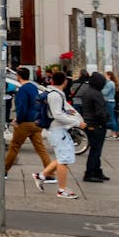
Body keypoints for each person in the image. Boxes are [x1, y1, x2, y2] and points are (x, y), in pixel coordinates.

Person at [0, 68, 52, 179]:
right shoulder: (33, 87)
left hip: (25, 123)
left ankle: (3, 171)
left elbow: (22, 108)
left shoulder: (22, 90)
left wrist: (17, 120)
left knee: (14, 146)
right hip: (36, 122)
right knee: (41, 149)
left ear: (18, 76)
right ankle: (50, 173)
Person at [34, 71, 85, 199]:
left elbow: (57, 112)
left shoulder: (54, 94)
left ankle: (41, 176)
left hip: (56, 130)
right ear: (65, 82)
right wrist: (76, 122)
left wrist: (69, 113)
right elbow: (58, 115)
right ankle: (61, 190)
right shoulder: (56, 95)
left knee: (62, 157)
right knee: (64, 160)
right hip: (57, 131)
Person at [79, 72, 110, 182]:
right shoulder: (97, 94)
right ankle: (90, 173)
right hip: (96, 124)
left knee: (95, 149)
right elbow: (100, 111)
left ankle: (97, 171)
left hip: (88, 122)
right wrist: (105, 120)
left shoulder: (87, 92)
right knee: (96, 150)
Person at [103, 71, 119, 140]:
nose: (104, 76)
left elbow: (105, 92)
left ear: (109, 75)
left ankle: (114, 133)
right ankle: (115, 132)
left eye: (105, 74)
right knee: (113, 118)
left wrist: (100, 89)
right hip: (110, 101)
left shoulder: (110, 83)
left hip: (109, 101)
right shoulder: (110, 83)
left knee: (111, 118)